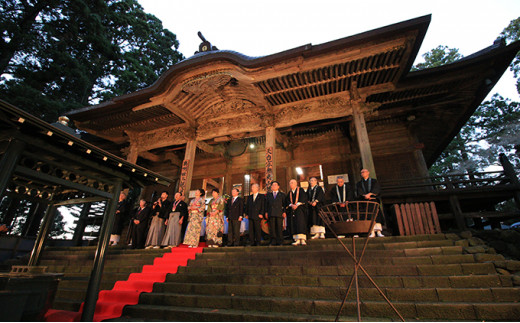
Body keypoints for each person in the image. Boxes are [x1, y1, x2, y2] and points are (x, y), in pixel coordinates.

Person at [356, 168, 384, 237]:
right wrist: (364, 195)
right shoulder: (359, 183)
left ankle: (378, 232)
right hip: (365, 202)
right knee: (368, 216)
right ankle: (371, 232)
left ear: (368, 173)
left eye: (364, 172)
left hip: (373, 201)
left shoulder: (374, 181)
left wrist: (370, 194)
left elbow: (376, 189)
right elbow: (359, 191)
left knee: (376, 216)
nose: (363, 173)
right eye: (362, 172)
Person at [286, 179, 308, 246]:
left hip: (299, 209)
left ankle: (303, 239)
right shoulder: (289, 193)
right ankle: (297, 239)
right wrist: (291, 205)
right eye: (290, 183)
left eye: (292, 183)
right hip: (293, 210)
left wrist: (297, 204)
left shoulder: (300, 190)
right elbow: (287, 201)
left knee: (300, 223)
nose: (291, 184)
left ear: (296, 184)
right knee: (294, 224)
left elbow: (303, 198)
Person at [265, 181, 287, 246]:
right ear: (271, 187)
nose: (274, 186)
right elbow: (266, 204)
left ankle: (280, 241)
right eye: (273, 185)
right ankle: (273, 241)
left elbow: (285, 204)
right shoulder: (268, 195)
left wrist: (284, 212)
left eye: (275, 185)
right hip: (271, 213)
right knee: (272, 228)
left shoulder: (282, 195)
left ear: (278, 186)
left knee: (279, 227)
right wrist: (266, 212)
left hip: (279, 213)